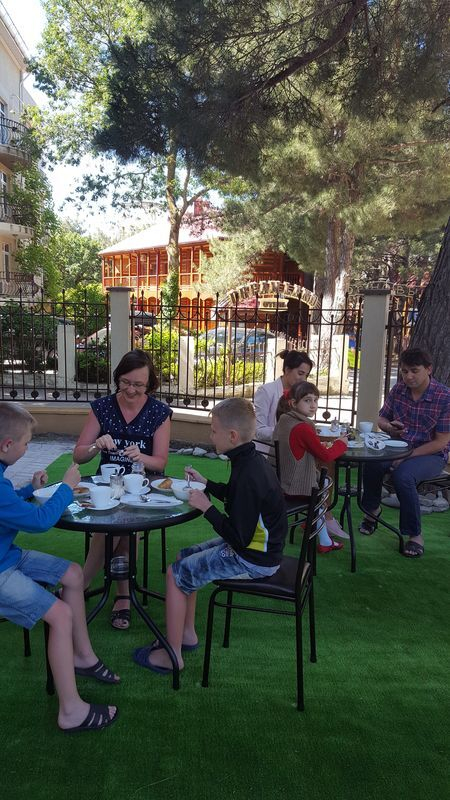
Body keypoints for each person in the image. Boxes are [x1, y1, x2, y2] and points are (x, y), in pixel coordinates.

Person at [132, 397, 288, 675]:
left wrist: (208, 508)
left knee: (176, 574)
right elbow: (235, 495)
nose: (210, 436)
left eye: (214, 431)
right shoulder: (249, 460)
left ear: (232, 436)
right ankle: (187, 634)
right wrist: (207, 484)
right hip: (253, 548)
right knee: (183, 557)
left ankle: (172, 655)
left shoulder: (250, 474)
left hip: (254, 558)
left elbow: (238, 538)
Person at [0, 403, 119, 732]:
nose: (27, 449)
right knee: (60, 615)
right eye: (26, 443)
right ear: (7, 445)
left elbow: (10, 503)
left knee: (73, 573)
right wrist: (66, 487)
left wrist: (30, 489)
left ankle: (83, 656)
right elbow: (40, 521)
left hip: (7, 555)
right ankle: (71, 711)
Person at [73, 349, 171, 628]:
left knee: (122, 525)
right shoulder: (102, 407)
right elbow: (78, 454)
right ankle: (120, 595)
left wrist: (142, 457)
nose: (130, 389)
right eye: (125, 382)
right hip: (107, 486)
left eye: (139, 385)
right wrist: (96, 446)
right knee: (116, 523)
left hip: (142, 486)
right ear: (118, 378)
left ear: (149, 384)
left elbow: (160, 462)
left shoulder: (159, 413)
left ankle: (85, 586)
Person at [359, 347, 450, 558]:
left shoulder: (444, 397)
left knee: (404, 476)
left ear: (429, 369)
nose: (408, 376)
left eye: (414, 371)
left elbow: (441, 443)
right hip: (397, 446)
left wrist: (407, 456)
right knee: (371, 462)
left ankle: (414, 535)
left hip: (431, 454)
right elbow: (382, 418)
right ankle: (372, 512)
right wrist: (389, 427)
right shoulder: (399, 390)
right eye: (404, 371)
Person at [273, 382, 349, 553]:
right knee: (325, 483)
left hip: (281, 479)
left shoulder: (285, 419)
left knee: (322, 484)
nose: (313, 405)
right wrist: (341, 444)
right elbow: (326, 456)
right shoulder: (302, 427)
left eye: (315, 400)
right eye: (307, 400)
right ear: (293, 403)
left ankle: (319, 530)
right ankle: (321, 533)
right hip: (296, 485)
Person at [254, 349, 314, 444]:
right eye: (300, 373)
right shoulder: (266, 391)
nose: (304, 379)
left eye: (306, 375)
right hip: (269, 450)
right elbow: (259, 430)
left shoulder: (299, 394)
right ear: (287, 370)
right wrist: (287, 432)